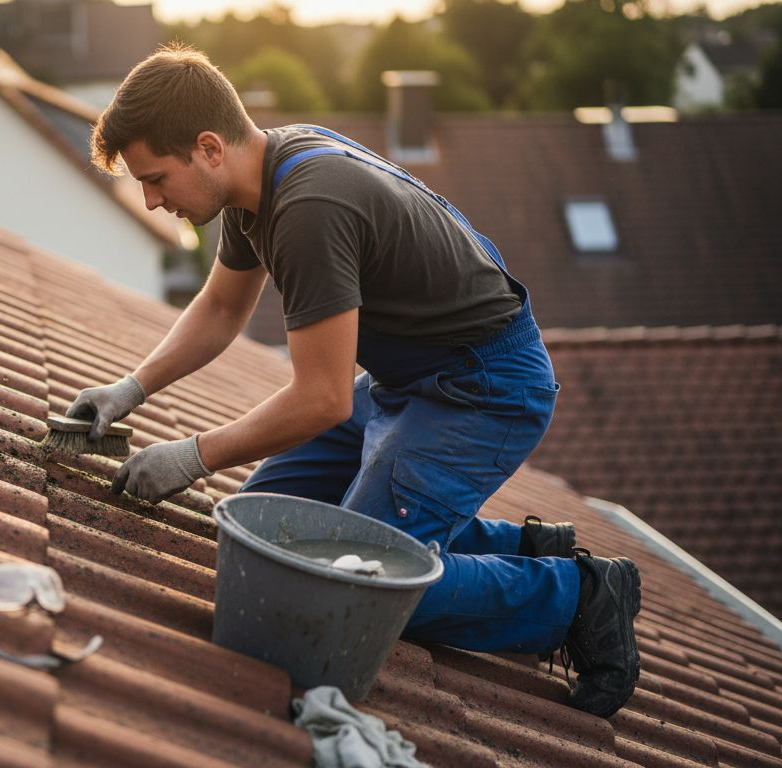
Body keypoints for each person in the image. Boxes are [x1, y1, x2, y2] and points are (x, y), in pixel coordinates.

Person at [66, 44, 641, 718]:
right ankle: (521, 547)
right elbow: (221, 309)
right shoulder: (255, 183)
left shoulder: (309, 205)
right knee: (266, 525)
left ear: (209, 148)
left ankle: (578, 598)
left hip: (481, 388)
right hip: (408, 380)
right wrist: (130, 389)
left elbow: (321, 398)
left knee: (358, 583)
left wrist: (192, 456)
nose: (150, 199)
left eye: (157, 178)